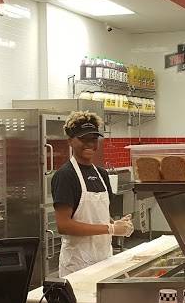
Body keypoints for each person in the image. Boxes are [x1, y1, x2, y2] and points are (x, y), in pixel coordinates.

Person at [51, 111, 134, 278]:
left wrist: (116, 224)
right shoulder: (65, 175)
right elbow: (64, 225)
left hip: (104, 257)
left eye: (94, 139)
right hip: (78, 264)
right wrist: (110, 229)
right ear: (70, 141)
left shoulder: (101, 174)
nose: (90, 144)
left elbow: (97, 215)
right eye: (83, 139)